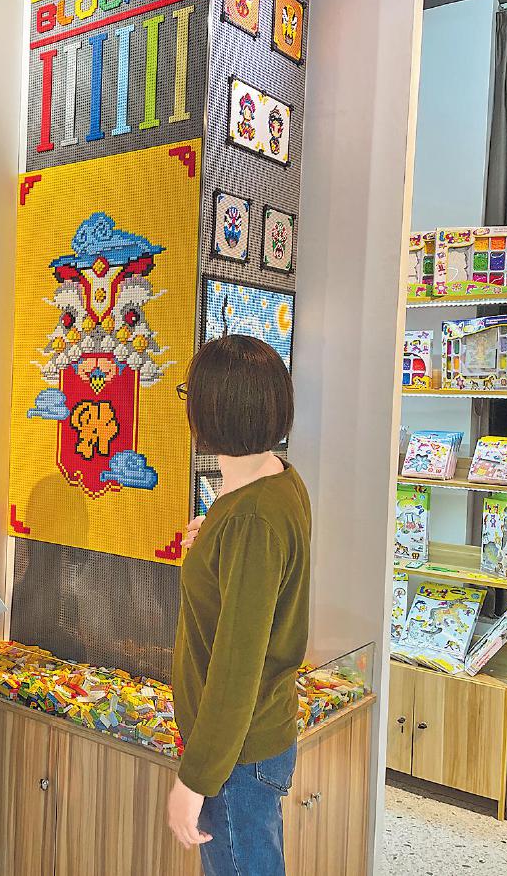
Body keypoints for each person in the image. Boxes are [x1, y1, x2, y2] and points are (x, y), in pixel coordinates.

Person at [165, 335, 311, 876]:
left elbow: (236, 666)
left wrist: (195, 779)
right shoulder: (275, 480)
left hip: (236, 756)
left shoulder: (251, 518)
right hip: (245, 746)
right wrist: (212, 540)